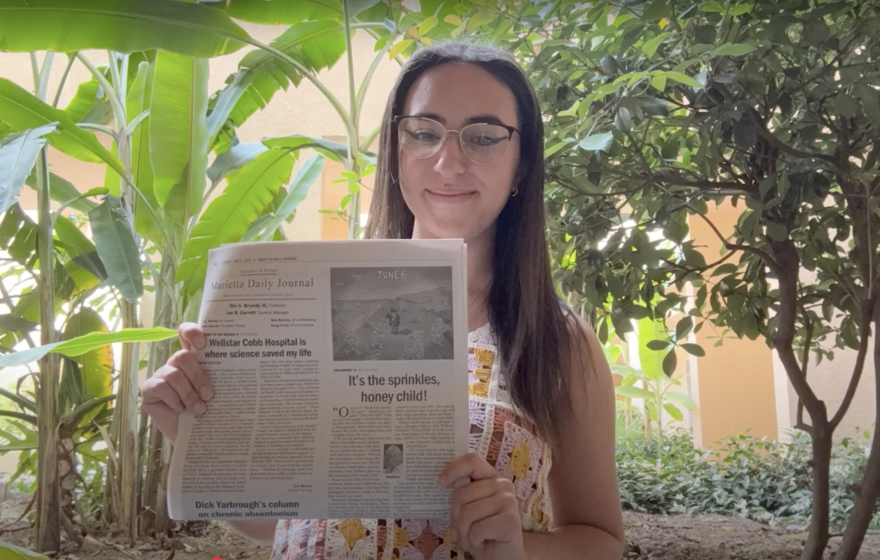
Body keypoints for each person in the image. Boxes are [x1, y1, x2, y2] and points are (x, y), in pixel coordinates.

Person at [142, 40, 625, 560]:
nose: (449, 162)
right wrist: (187, 425)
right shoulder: (307, 302)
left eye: (484, 138)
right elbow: (278, 522)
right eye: (424, 133)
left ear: (522, 164)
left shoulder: (556, 340)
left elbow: (601, 538)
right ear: (397, 150)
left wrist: (516, 549)